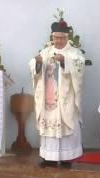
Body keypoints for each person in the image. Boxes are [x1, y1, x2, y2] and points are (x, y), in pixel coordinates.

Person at [29, 17, 85, 168]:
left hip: (65, 99)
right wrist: (38, 62)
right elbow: (34, 65)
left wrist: (64, 61)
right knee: (48, 126)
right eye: (56, 38)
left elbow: (80, 66)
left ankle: (67, 157)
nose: (58, 41)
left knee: (66, 125)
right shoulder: (47, 51)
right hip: (48, 99)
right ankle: (49, 157)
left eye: (61, 38)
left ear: (67, 38)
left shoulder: (74, 53)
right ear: (52, 37)